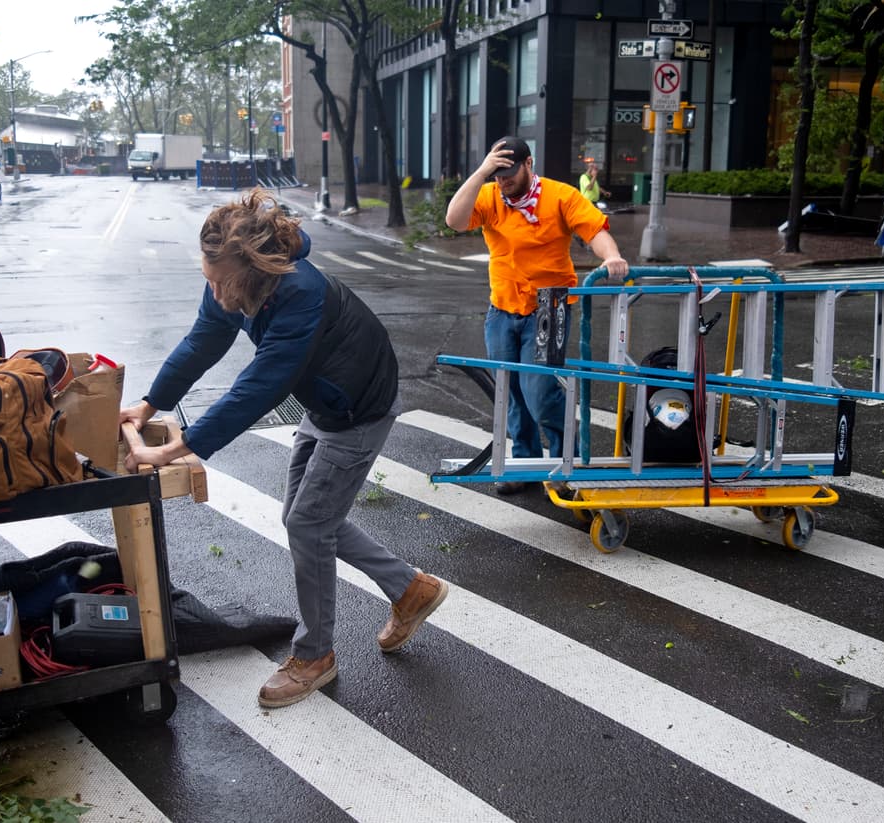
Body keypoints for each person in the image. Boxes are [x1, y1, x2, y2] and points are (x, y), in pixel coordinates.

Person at [119, 189, 449, 709]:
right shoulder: (232, 281)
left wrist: (182, 445)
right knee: (308, 517)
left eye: (220, 281)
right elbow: (204, 339)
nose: (215, 291)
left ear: (252, 269)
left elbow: (261, 385)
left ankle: (315, 656)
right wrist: (150, 402)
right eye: (208, 278)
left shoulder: (301, 294)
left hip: (358, 411)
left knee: (308, 523)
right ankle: (411, 590)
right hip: (325, 405)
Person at [445, 136, 630, 494]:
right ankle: (526, 464)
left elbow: (595, 229)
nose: (504, 181)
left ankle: (565, 464)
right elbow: (454, 220)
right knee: (511, 391)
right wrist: (483, 170)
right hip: (502, 309)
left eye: (510, 173)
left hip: (549, 308)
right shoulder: (490, 197)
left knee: (540, 393)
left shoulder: (559, 196)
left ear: (529, 164)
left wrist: (611, 257)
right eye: (499, 175)